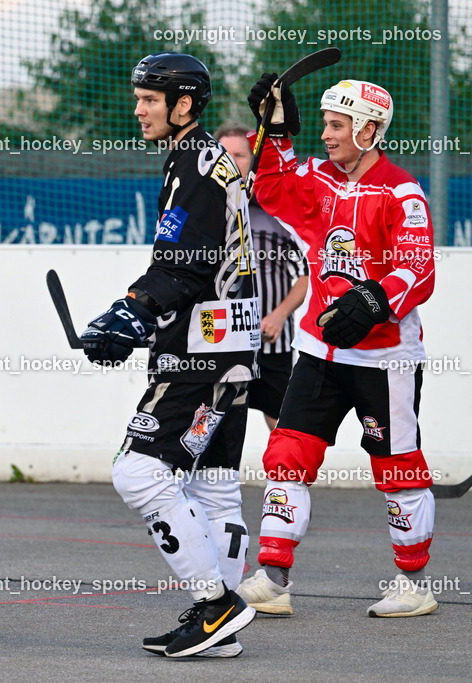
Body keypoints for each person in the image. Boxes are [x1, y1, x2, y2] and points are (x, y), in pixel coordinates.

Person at [236, 75, 438, 618]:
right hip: (319, 352)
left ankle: (414, 584)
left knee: (397, 468)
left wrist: (373, 300)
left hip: (386, 360)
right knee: (287, 455)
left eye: (336, 125)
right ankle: (273, 578)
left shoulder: (402, 192)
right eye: (324, 124)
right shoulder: (318, 178)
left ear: (369, 131)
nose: (325, 135)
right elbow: (272, 185)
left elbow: (419, 270)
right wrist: (276, 131)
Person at [80, 53, 260, 658]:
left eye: (149, 99)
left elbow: (183, 263)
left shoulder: (194, 164)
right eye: (139, 98)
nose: (138, 109)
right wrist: (134, 314)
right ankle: (221, 629)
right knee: (215, 485)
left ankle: (216, 605)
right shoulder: (210, 158)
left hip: (200, 350)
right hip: (231, 345)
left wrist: (132, 310)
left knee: (137, 471)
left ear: (184, 104)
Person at [216, 123, 310, 430]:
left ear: (255, 160)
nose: (231, 163)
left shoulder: (280, 213)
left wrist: (279, 316)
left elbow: (305, 275)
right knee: (214, 425)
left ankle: (285, 467)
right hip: (221, 344)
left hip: (273, 344)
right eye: (224, 155)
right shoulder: (208, 211)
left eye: (240, 156)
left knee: (284, 425)